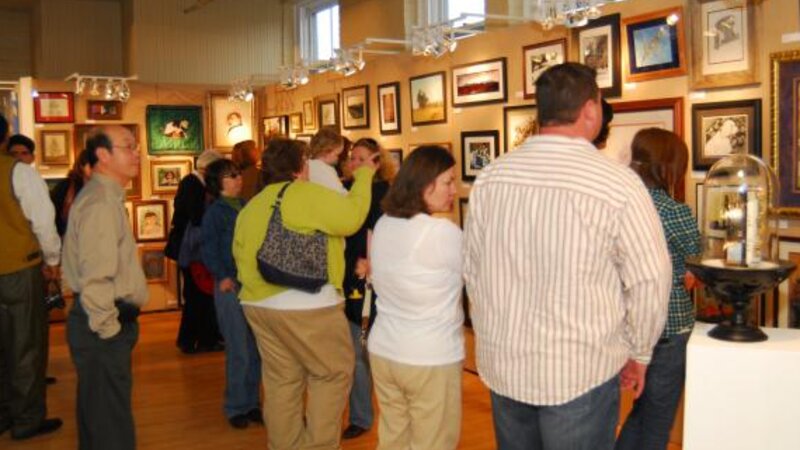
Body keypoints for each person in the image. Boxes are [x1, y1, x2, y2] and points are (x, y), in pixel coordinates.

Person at [464, 62, 672, 450]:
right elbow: (650, 279)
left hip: (505, 365)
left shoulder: (492, 177)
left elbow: (472, 269)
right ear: (591, 110)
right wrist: (640, 351)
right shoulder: (617, 183)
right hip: (580, 372)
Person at [232, 137, 377, 450]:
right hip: (307, 305)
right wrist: (365, 174)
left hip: (258, 306)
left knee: (282, 381)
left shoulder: (252, 205)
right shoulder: (303, 193)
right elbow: (351, 218)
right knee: (332, 374)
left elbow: (240, 256)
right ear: (300, 167)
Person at [368, 145, 464, 449]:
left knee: (394, 438)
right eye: (448, 182)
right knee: (433, 442)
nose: (455, 189)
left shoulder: (385, 223)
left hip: (385, 351)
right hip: (428, 357)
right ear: (425, 184)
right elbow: (482, 274)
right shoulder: (441, 233)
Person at [62, 125, 148, 450]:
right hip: (101, 329)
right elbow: (96, 279)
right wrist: (110, 332)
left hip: (99, 325)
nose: (136, 152)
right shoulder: (100, 203)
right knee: (110, 426)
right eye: (128, 146)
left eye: (135, 145)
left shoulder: (105, 196)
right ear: (102, 154)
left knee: (100, 418)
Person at [616, 128, 702, 450]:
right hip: (669, 322)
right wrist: (686, 271)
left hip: (626, 323)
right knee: (657, 421)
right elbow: (698, 256)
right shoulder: (672, 209)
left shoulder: (620, 202)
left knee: (637, 412)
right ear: (668, 167)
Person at [0, 115, 63, 440]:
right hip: (17, 270)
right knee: (26, 345)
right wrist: (52, 259)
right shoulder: (18, 172)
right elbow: (42, 220)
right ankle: (26, 419)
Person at [200, 159, 262, 429]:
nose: (238, 179)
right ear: (218, 182)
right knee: (238, 349)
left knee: (254, 348)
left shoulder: (247, 205)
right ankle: (236, 405)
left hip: (250, 285)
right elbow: (208, 247)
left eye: (238, 174)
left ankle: (252, 403)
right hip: (229, 285)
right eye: (231, 176)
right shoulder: (215, 212)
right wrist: (221, 275)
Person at [341, 137, 396, 440]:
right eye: (352, 158)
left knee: (368, 351)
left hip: (372, 279)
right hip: (350, 276)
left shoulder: (385, 192)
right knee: (355, 353)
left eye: (361, 158)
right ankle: (361, 415)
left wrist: (373, 263)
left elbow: (382, 232)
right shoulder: (347, 190)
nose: (355, 163)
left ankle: (380, 414)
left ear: (376, 161)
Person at [166, 149, 224, 354]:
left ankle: (196, 339)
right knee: (197, 294)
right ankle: (195, 339)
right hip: (191, 249)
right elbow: (197, 217)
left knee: (199, 294)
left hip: (191, 247)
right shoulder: (193, 184)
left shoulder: (194, 183)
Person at [51, 149, 92, 236]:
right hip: (69, 240)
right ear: (82, 166)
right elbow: (53, 218)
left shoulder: (105, 188)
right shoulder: (66, 187)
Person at [308, 127, 347, 194]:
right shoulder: (325, 169)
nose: (337, 158)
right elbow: (340, 193)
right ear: (327, 152)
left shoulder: (307, 164)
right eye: (337, 154)